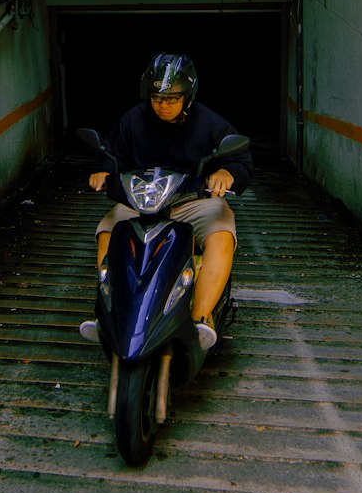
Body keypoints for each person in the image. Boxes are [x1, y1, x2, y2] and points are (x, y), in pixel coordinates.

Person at [88, 52, 253, 348]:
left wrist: (228, 173)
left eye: (172, 98)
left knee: (222, 233)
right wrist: (103, 171)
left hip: (192, 200)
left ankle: (201, 319)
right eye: (156, 97)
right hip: (140, 201)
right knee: (108, 230)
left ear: (187, 96)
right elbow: (111, 154)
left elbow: (240, 159)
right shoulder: (133, 120)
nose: (163, 105)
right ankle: (112, 312)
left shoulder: (209, 123)